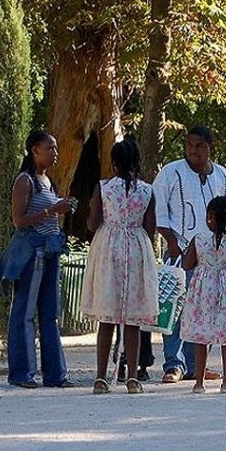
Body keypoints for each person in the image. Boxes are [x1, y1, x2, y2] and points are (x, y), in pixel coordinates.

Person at [153, 125, 226, 383]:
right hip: (182, 253)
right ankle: (174, 365)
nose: (193, 151)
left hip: (214, 259)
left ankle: (197, 366)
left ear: (210, 147)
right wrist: (171, 241)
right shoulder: (170, 172)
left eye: (199, 146)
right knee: (175, 311)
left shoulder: (221, 175)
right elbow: (159, 211)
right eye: (189, 145)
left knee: (204, 313)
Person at [0, 130, 77, 388]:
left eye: (56, 148)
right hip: (32, 254)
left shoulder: (48, 181)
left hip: (51, 252)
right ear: (35, 150)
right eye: (50, 148)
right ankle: (22, 373)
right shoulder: (25, 181)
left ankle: (55, 374)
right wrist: (53, 209)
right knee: (25, 313)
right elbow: (19, 220)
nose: (55, 153)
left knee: (50, 315)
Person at [80, 139, 158, 395]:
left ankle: (101, 377)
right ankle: (133, 377)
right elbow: (150, 228)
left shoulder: (103, 188)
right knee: (133, 319)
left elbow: (92, 223)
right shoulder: (147, 191)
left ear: (113, 163)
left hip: (108, 249)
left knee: (107, 317)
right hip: (136, 248)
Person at [180, 196, 226, 394]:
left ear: (210, 216)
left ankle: (199, 383)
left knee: (202, 337)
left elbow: (187, 264)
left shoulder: (199, 240)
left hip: (203, 291)